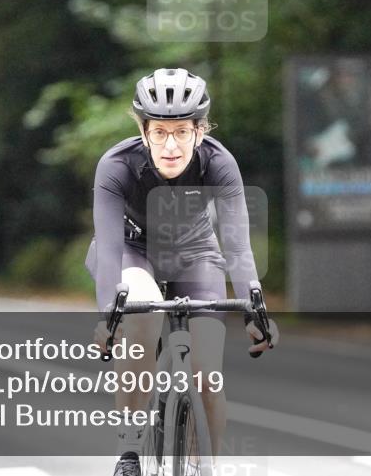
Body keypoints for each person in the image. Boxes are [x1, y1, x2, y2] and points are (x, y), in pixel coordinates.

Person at [86, 68, 280, 476]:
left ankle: (204, 467)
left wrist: (254, 311)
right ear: (143, 132)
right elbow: (107, 250)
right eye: (159, 133)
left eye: (181, 132)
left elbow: (238, 246)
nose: (170, 145)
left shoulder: (220, 163)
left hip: (194, 251)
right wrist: (109, 315)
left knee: (208, 375)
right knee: (143, 311)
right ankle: (131, 448)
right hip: (129, 249)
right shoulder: (116, 166)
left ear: (200, 131)